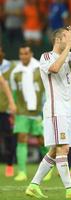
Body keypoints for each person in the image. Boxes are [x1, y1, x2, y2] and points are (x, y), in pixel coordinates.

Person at [25, 26, 71, 199]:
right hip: (56, 109)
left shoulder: (69, 55)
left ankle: (33, 185)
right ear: (58, 39)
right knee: (63, 148)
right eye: (66, 37)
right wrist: (68, 48)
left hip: (68, 110)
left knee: (55, 150)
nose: (68, 40)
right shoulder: (46, 56)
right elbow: (54, 68)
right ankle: (70, 190)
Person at [10, 45, 46, 182]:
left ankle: (47, 169)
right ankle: (22, 172)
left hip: (38, 111)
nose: (23, 56)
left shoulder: (39, 68)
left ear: (31, 54)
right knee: (22, 137)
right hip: (22, 111)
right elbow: (14, 92)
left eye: (26, 53)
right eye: (21, 54)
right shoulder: (16, 72)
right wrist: (14, 107)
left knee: (42, 140)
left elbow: (46, 90)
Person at [0, 47, 17, 177]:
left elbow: (5, 85)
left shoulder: (11, 67)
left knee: (8, 138)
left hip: (5, 110)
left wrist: (12, 102)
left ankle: (10, 165)